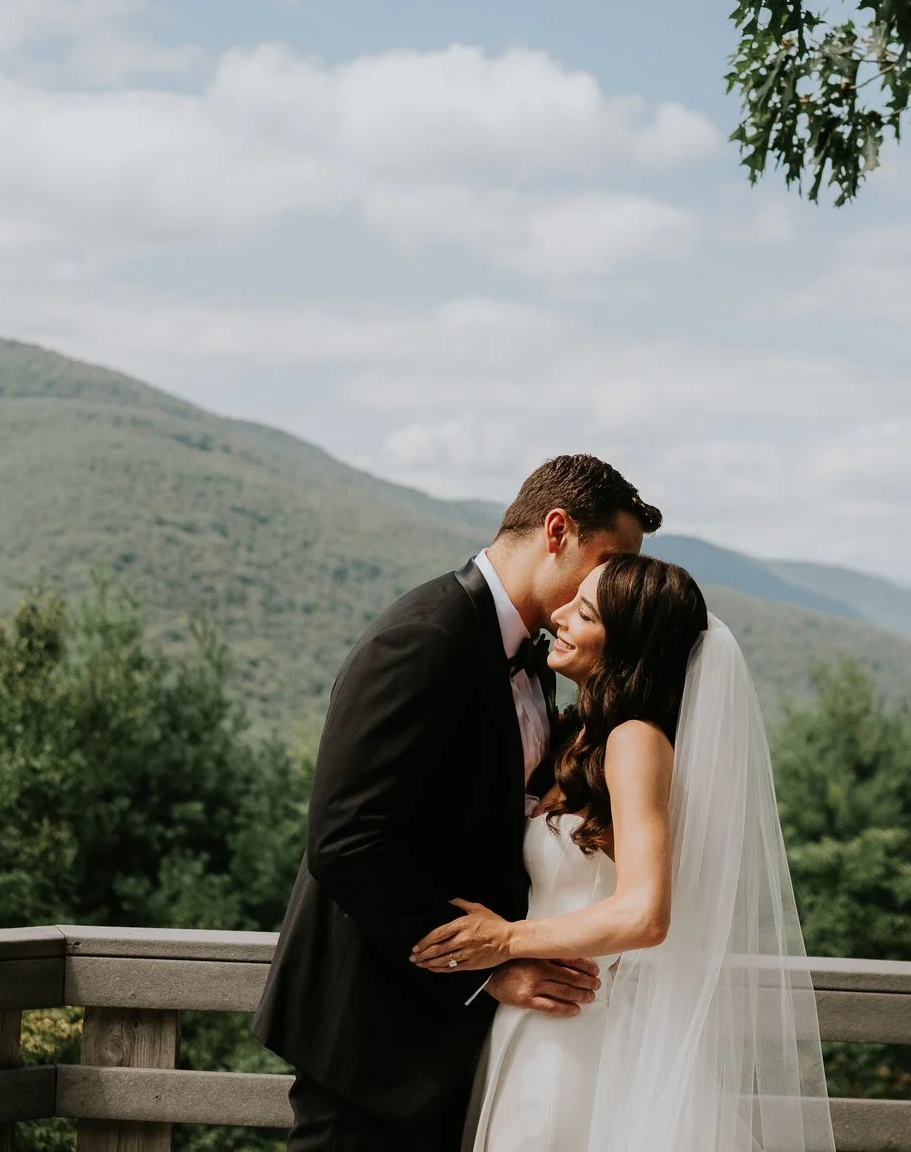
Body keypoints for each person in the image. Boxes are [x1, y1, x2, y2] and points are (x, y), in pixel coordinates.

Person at [253, 455, 660, 1152]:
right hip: (374, 1038)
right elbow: (347, 842)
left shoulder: (535, 661)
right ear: (556, 530)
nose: (611, 588)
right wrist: (489, 966)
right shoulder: (422, 637)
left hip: (465, 1048)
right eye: (606, 562)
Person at [409, 555, 835, 1152]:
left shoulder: (635, 741)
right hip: (543, 1019)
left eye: (583, 612)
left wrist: (504, 941)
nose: (557, 615)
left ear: (629, 645)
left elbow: (645, 914)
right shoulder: (583, 737)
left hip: (583, 1033)